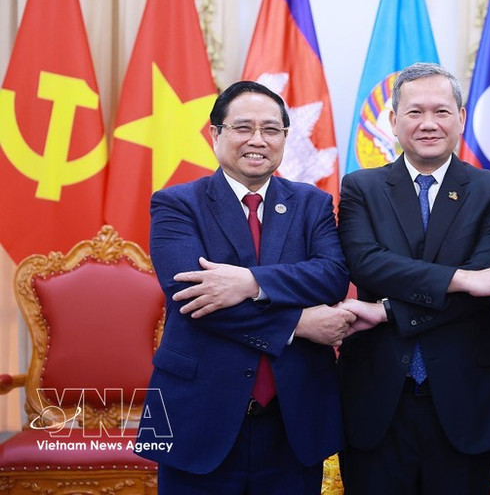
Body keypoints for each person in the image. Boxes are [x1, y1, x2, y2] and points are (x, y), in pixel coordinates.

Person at [135, 81, 354, 494]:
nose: (258, 140)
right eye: (243, 128)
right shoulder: (176, 204)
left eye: (271, 129)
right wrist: (298, 325)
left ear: (286, 138)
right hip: (199, 417)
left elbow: (331, 275)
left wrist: (250, 283)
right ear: (215, 133)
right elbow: (196, 300)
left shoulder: (313, 203)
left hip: (293, 424)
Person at [336, 62, 490, 495]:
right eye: (415, 112)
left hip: (468, 396)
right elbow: (366, 265)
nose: (428, 124)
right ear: (393, 121)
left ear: (461, 117)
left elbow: (487, 282)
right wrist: (459, 278)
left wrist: (386, 311)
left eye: (441, 111)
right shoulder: (360, 187)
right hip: (376, 397)